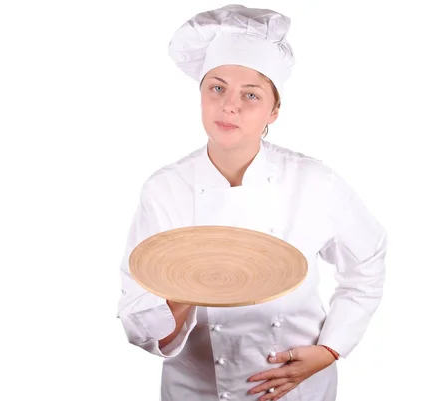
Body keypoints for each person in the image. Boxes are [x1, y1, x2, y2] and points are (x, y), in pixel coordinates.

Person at [117, 5, 387, 401]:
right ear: (201, 96)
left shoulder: (314, 181)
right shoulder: (165, 189)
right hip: (198, 390)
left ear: (273, 111)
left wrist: (330, 349)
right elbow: (137, 315)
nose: (230, 105)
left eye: (251, 94)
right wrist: (189, 284)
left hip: (297, 388)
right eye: (217, 88)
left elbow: (368, 259)